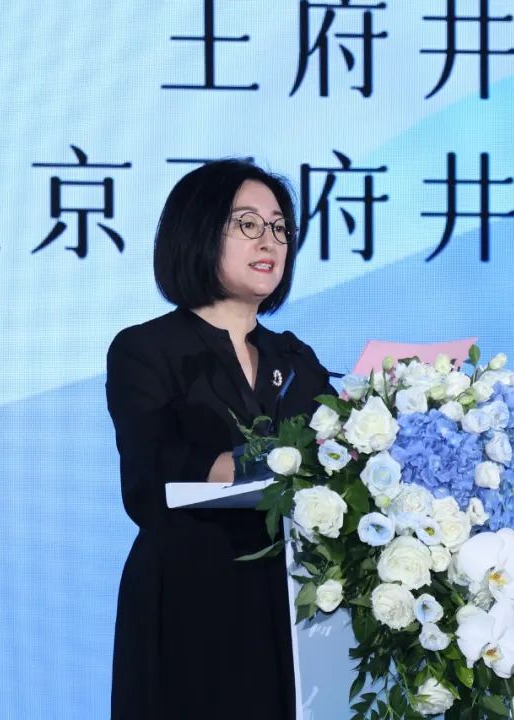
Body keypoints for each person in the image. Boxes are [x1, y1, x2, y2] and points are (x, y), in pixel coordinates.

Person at [106, 159, 332, 719]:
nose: (269, 241)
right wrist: (265, 463)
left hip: (287, 601)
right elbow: (151, 470)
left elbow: (338, 454)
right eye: (248, 224)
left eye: (279, 227)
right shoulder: (147, 349)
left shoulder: (294, 358)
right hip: (191, 595)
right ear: (199, 230)